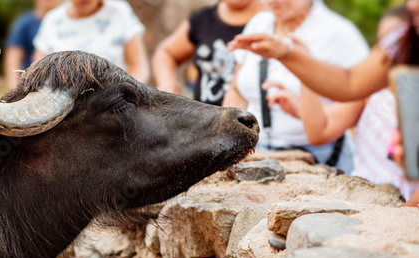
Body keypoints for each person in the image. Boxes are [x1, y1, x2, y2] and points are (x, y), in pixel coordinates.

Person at [228, 0, 419, 207]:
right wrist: (293, 59)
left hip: (383, 199)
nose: (411, 6)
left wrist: (400, 212)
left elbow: (342, 95)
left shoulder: (340, 33)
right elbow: (344, 91)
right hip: (365, 194)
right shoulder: (373, 96)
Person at [223, 0, 370, 174]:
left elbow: (354, 106)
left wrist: (303, 97)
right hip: (256, 153)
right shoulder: (258, 23)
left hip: (320, 160)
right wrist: (229, 138)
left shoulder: (340, 34)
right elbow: (237, 89)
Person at [152, 0, 263, 106]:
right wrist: (167, 82)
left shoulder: (268, 24)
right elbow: (166, 52)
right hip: (204, 119)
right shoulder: (203, 19)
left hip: (249, 120)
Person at [33, 0, 149, 84]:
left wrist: (127, 93)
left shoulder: (120, 11)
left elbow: (138, 65)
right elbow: (39, 70)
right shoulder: (52, 20)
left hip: (115, 102)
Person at [5, 0, 62, 89]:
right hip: (30, 83)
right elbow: (13, 57)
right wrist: (14, 89)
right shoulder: (24, 24)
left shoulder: (69, 22)